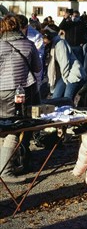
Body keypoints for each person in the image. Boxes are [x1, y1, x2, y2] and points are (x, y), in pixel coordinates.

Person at [0, 15, 42, 183]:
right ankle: (6, 171)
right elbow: (38, 68)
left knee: (2, 128)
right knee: (14, 129)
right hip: (18, 93)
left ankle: (4, 165)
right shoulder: (28, 45)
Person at [42, 27, 86, 100]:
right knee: (56, 98)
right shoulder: (50, 46)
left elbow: (64, 63)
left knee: (67, 98)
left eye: (44, 41)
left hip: (72, 73)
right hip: (63, 75)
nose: (44, 43)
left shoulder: (60, 44)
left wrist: (66, 81)